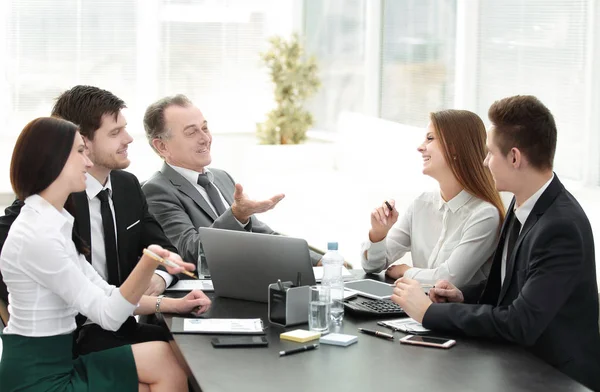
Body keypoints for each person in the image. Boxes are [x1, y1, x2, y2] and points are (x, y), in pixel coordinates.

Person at [392, 95, 600, 391]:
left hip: (555, 378)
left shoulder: (560, 227)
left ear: (514, 158)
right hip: (513, 365)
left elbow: (520, 322)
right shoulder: (521, 203)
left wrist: (430, 313)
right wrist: (462, 296)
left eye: (490, 153)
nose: (484, 161)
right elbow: (508, 291)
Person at [0, 85, 211, 356]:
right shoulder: (48, 206)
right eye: (115, 132)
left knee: (195, 346)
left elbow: (166, 250)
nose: (129, 139)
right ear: (80, 142)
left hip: (119, 320)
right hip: (73, 338)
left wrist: (158, 278)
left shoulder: (127, 186)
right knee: (174, 358)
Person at [141, 94, 322, 271]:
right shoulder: (156, 190)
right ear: (162, 146)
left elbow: (264, 236)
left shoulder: (221, 177)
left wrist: (319, 261)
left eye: (205, 128)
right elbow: (190, 254)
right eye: (191, 132)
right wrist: (236, 216)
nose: (205, 138)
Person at [361, 110, 505, 288]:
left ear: (454, 148)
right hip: (414, 309)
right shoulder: (422, 204)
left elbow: (447, 280)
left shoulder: (484, 216)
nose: (420, 147)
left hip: (451, 314)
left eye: (430, 138)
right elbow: (372, 266)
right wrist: (378, 233)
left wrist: (406, 271)